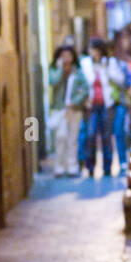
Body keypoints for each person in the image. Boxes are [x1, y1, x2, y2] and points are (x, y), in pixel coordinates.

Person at [80, 38, 122, 177]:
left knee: (106, 136)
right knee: (91, 134)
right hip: (91, 105)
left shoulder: (110, 62)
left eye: (96, 50)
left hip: (107, 104)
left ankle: (107, 167)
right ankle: (90, 166)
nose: (94, 53)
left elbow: (120, 80)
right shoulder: (85, 64)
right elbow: (82, 82)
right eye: (91, 50)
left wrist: (106, 70)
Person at [48, 46, 88, 177]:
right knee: (60, 137)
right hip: (59, 109)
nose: (66, 58)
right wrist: (60, 69)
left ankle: (72, 167)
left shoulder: (78, 71)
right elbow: (52, 82)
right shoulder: (54, 69)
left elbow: (85, 89)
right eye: (63, 55)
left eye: (68, 55)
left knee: (72, 138)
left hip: (74, 110)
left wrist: (75, 101)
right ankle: (59, 167)